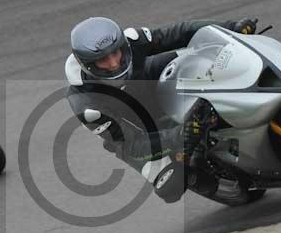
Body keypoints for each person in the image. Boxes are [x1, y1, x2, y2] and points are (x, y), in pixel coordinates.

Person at [64, 16, 257, 204]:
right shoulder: (87, 106)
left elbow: (178, 33)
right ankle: (214, 182)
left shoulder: (131, 40)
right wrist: (179, 135)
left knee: (202, 57)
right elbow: (133, 144)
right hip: (137, 130)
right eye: (103, 60)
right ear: (88, 65)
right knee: (171, 185)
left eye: (115, 53)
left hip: (145, 81)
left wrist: (230, 28)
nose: (114, 63)